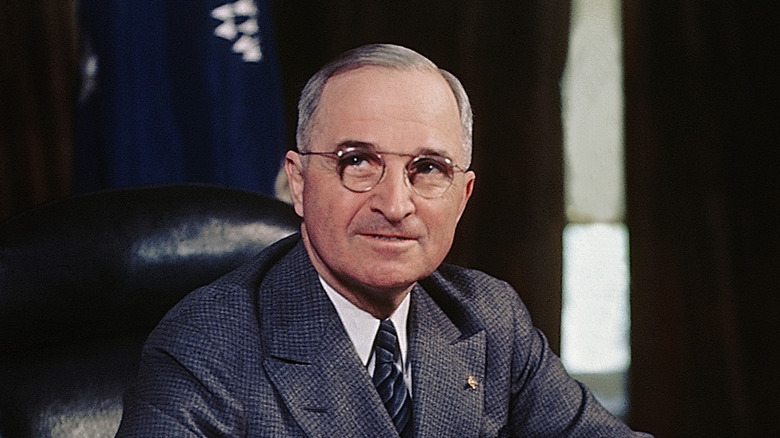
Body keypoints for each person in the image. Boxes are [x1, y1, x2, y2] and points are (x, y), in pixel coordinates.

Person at [116, 43, 652, 437]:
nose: (395, 205)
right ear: (299, 184)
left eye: (427, 168)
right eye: (357, 162)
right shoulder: (206, 348)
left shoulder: (488, 318)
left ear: (463, 196)